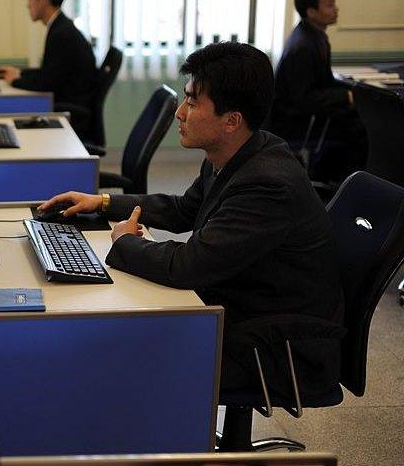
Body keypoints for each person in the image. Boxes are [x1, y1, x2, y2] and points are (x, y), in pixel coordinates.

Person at [39, 42, 344, 394]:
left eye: (193, 102)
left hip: (275, 345)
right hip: (245, 310)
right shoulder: (237, 151)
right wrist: (104, 203)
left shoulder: (267, 184)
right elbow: (184, 209)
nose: (180, 112)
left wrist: (124, 241)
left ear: (232, 121)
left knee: (116, 347)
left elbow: (189, 265)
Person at [270, 0, 366, 183]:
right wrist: (346, 96)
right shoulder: (303, 46)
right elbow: (303, 99)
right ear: (311, 11)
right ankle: (341, 188)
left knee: (358, 118)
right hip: (295, 122)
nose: (336, 9)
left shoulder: (315, 36)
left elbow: (324, 81)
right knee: (359, 130)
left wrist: (356, 92)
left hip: (307, 114)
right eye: (329, 4)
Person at [0, 0, 98, 141]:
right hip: (68, 104)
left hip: (70, 113)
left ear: (43, 0)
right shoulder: (60, 27)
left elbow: (47, 82)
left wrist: (15, 80)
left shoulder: (61, 34)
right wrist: (20, 73)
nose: (27, 4)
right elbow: (51, 72)